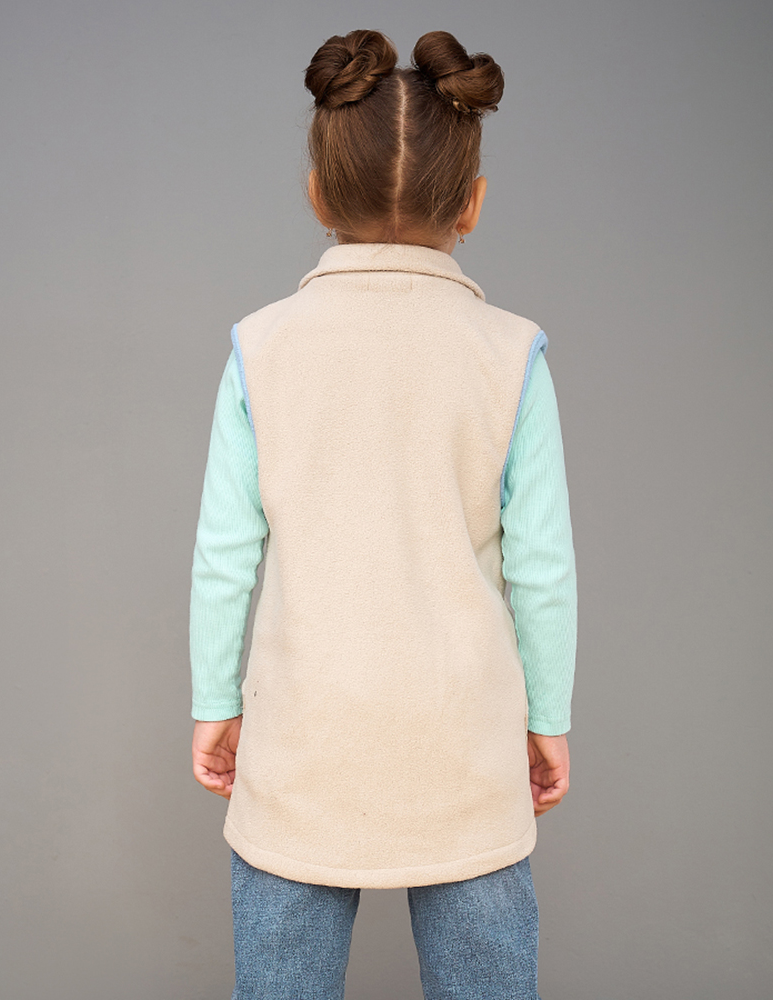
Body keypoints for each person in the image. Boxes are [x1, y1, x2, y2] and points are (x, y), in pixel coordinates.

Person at [189, 28, 577, 1000]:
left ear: (317, 195)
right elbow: (541, 565)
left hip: (300, 750)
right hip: (467, 751)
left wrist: (215, 702)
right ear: (472, 204)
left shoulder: (260, 348)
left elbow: (224, 554)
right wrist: (548, 717)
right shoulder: (510, 355)